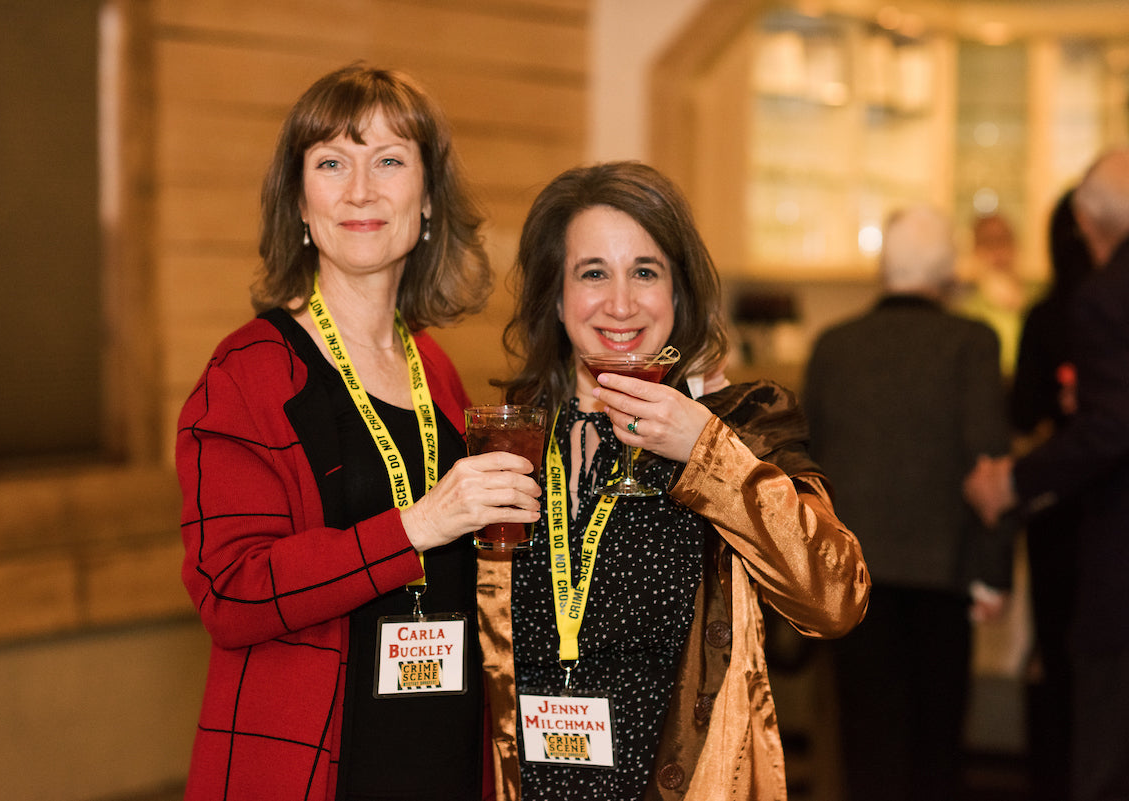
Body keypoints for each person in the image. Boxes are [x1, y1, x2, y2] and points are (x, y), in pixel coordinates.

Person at [175, 64, 542, 801]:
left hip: (444, 754)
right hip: (314, 764)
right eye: (332, 163)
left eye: (390, 161)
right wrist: (417, 525)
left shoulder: (434, 367)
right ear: (299, 202)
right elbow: (230, 593)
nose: (361, 191)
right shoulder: (247, 373)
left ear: (427, 198)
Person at [476, 161, 870, 800]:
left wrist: (705, 451)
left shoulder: (743, 424)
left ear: (679, 295)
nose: (621, 303)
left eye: (645, 272)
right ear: (556, 297)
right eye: (593, 273)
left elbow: (835, 599)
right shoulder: (511, 440)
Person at [801, 205, 1015, 801]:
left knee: (868, 747)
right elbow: (989, 463)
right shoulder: (971, 342)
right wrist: (995, 572)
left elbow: (804, 467)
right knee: (934, 750)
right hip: (944, 571)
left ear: (884, 267)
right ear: (947, 271)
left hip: (852, 576)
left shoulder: (834, 345)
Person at [966, 147, 1129, 801]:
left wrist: (1011, 480)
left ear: (1089, 224)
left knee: (1103, 749)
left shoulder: (1101, 297)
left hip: (1112, 549)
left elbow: (1110, 427)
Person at [1008, 188, 1094, 801]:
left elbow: (1022, 415)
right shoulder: (1109, 305)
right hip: (1106, 505)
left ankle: (1053, 779)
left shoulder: (1046, 315)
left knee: (1055, 651)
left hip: (1056, 509)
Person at [955, 211, 1031, 376]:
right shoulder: (965, 310)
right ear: (976, 249)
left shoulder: (1035, 298)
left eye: (1004, 239)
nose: (998, 250)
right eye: (988, 242)